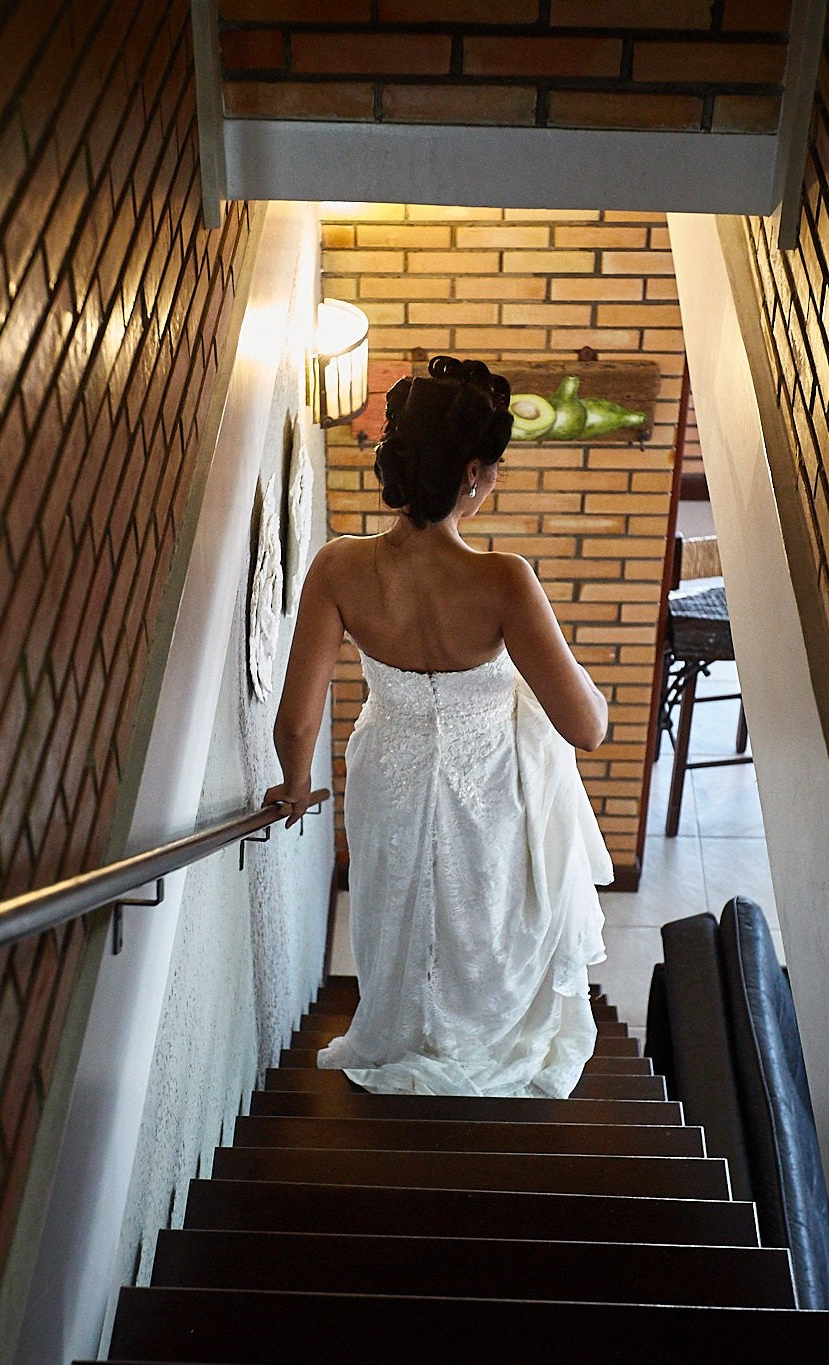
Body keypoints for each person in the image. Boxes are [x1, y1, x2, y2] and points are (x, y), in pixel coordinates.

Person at [263, 355, 613, 1098]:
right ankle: (479, 1040)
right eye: (494, 470)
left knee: (396, 909)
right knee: (478, 916)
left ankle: (399, 1032)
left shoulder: (338, 567)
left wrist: (294, 787)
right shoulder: (503, 579)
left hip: (387, 778)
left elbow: (295, 722)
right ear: (473, 473)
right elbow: (585, 727)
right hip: (486, 791)